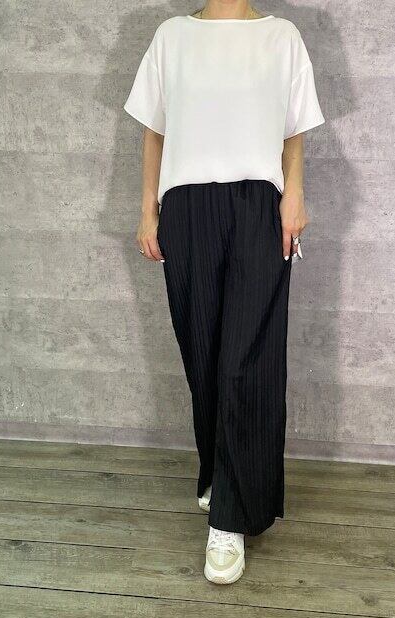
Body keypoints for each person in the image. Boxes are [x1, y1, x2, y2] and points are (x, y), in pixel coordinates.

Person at [123, 1, 325, 584]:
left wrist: (294, 195)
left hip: (259, 204)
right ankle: (219, 472)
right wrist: (147, 210)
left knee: (246, 361)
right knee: (204, 357)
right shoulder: (172, 37)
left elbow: (293, 132)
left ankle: (229, 521)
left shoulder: (282, 37)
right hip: (186, 206)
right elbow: (155, 132)